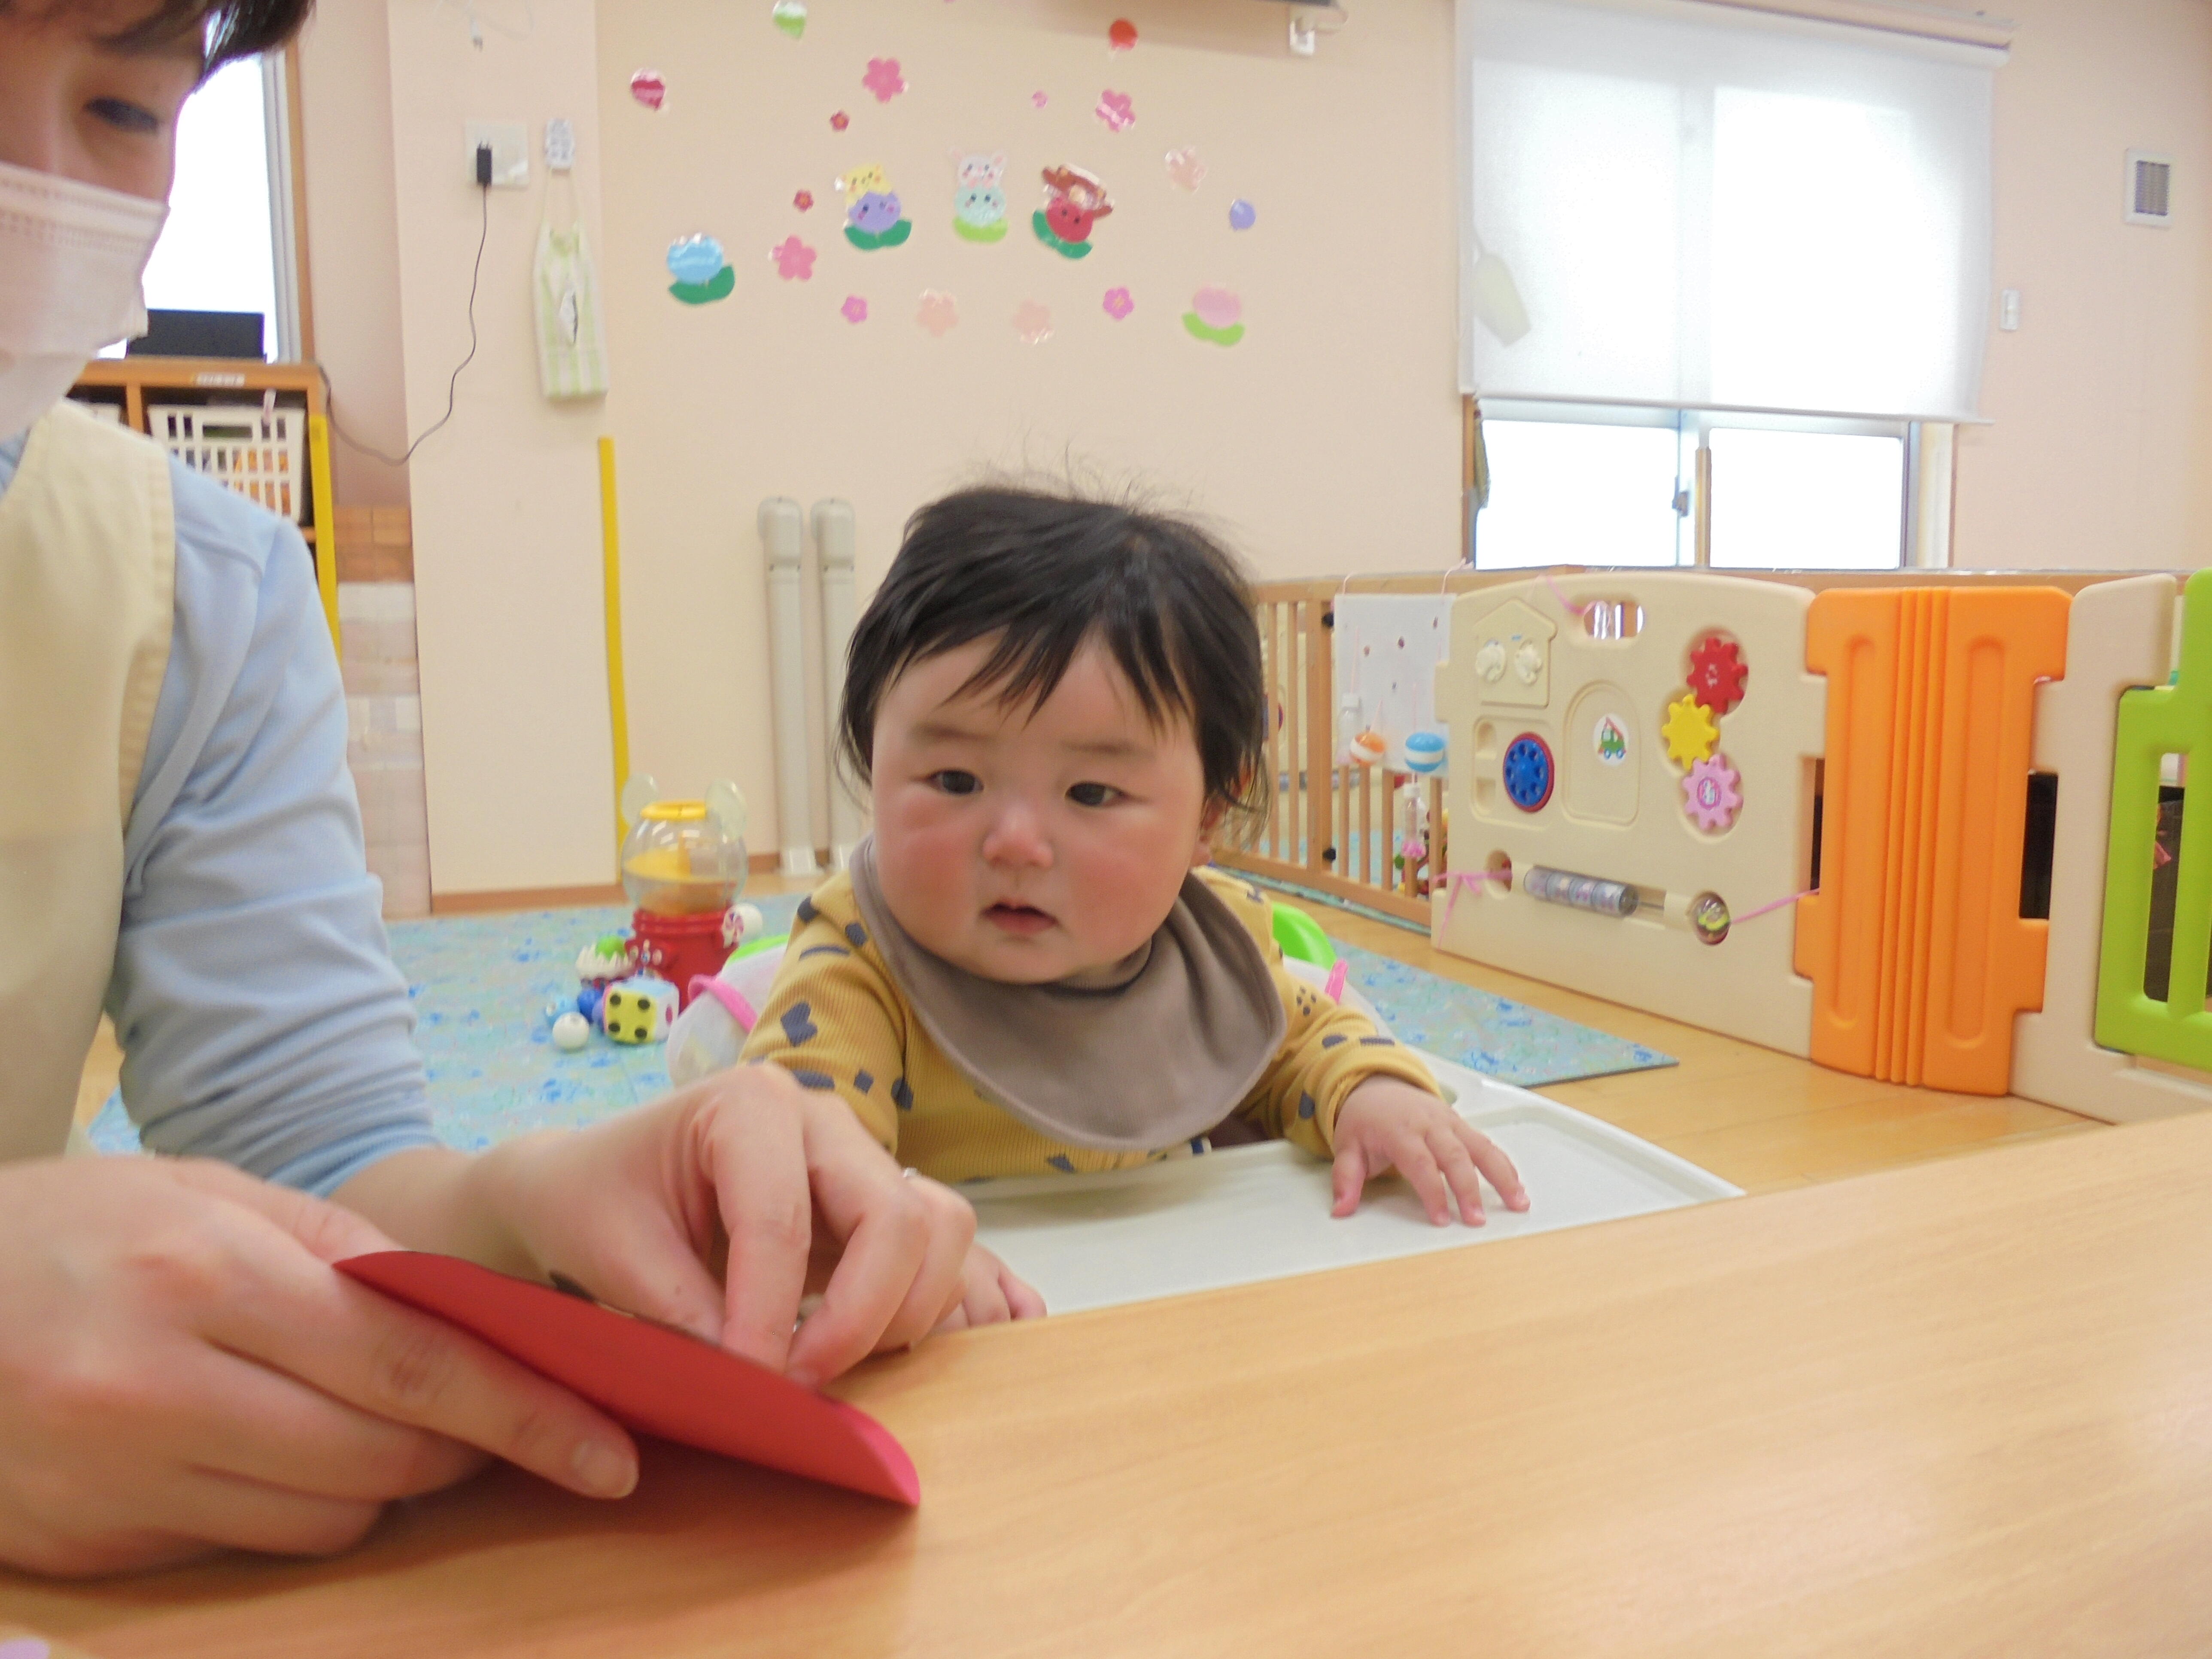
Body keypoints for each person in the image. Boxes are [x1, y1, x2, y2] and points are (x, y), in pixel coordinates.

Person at [0, 0, 986, 1580]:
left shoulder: (195, 593)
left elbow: (309, 1163)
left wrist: (538, 1201)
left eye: (124, 111)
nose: (34, 183)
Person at [741, 488, 1530, 1266]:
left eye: (1090, 794)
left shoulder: (1205, 944)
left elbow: (1292, 1040)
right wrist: (891, 1232)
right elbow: (799, 1145)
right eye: (955, 781)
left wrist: (1371, 1093)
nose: (1016, 844)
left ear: (1209, 817)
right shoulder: (859, 959)